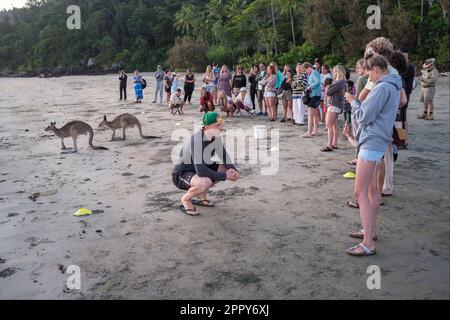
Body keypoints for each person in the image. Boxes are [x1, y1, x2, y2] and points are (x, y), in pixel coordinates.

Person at [344, 51, 402, 256]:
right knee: (372, 191)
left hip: (372, 141)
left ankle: (368, 242)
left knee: (360, 192)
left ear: (376, 70)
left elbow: (364, 116)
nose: (368, 79)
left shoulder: (382, 87)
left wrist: (352, 100)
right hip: (379, 141)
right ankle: (370, 231)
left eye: (369, 75)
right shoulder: (395, 85)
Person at [172, 112, 239, 216]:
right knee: (205, 182)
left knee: (224, 167)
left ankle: (201, 194)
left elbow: (224, 156)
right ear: (207, 127)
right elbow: (201, 171)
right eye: (218, 125)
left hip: (196, 170)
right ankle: (186, 199)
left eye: (221, 124)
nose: (221, 128)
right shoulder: (197, 140)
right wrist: (226, 176)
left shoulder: (214, 137)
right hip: (181, 174)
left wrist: (233, 170)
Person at [321, 65, 346, 152]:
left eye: (335, 71)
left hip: (334, 105)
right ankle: (334, 144)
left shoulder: (339, 82)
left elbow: (328, 92)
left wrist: (328, 87)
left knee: (329, 125)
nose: (333, 73)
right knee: (334, 125)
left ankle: (329, 145)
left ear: (339, 72)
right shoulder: (342, 82)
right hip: (337, 105)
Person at [397, 48, 415, 149]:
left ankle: (403, 141)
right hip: (403, 94)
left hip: (404, 95)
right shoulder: (407, 66)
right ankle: (402, 140)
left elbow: (399, 76)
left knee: (402, 120)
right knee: (401, 119)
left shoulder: (408, 67)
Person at [302, 62, 321, 137]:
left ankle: (309, 132)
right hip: (313, 95)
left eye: (305, 70)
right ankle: (315, 130)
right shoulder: (310, 74)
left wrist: (310, 87)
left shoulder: (314, 72)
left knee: (310, 113)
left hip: (315, 95)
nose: (305, 72)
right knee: (314, 114)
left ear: (308, 68)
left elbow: (318, 82)